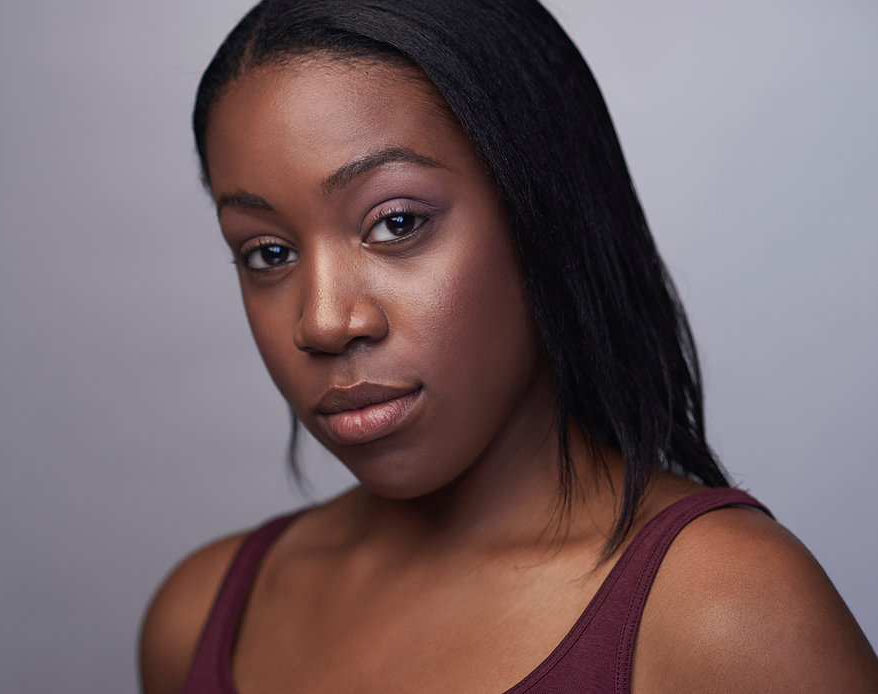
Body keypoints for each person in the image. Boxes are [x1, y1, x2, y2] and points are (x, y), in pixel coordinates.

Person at [140, 1, 878, 691]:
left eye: (397, 223)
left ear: (544, 212)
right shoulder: (199, 617)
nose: (326, 322)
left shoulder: (727, 613)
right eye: (268, 253)